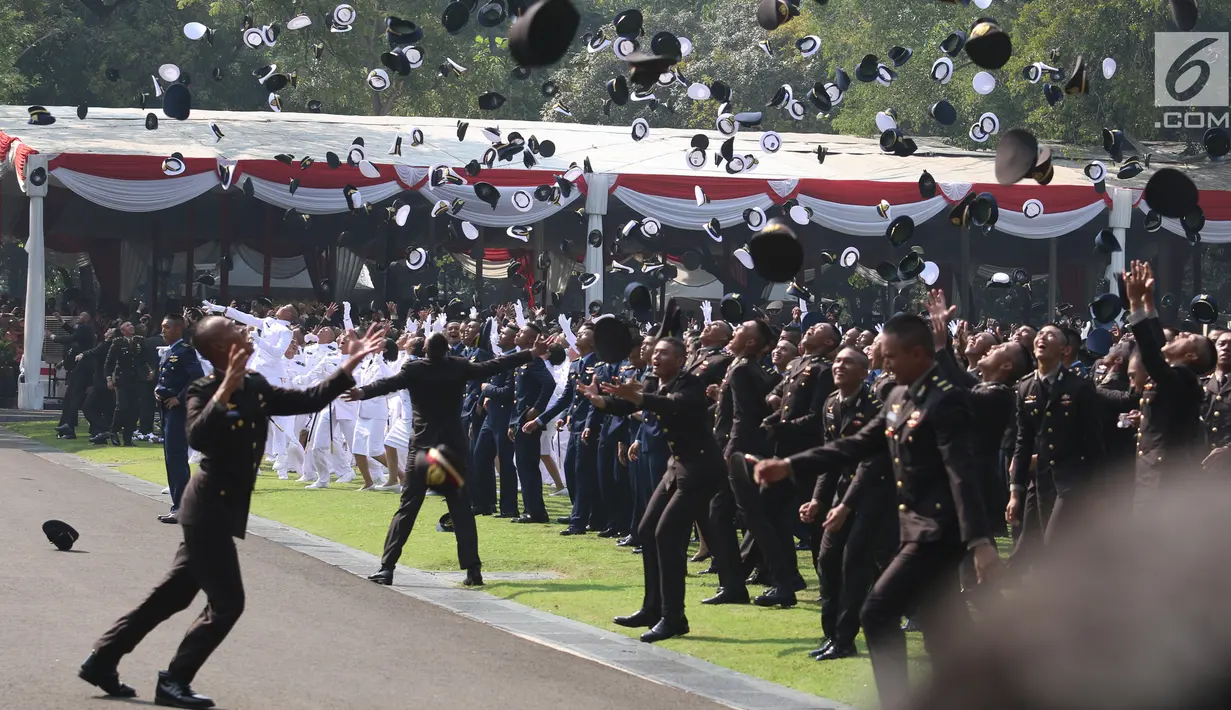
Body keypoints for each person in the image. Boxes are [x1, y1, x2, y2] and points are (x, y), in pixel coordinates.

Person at [79, 317, 386, 708]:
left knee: (171, 597)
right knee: (228, 603)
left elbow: (307, 399)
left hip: (220, 508)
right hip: (207, 508)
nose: (247, 332)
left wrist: (350, 365)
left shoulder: (254, 385)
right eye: (236, 331)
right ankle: (174, 680)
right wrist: (224, 390)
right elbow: (197, 435)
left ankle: (102, 659)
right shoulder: (203, 389)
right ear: (224, 348)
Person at [754, 314, 999, 710]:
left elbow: (962, 474)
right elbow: (857, 445)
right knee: (942, 626)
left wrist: (981, 541)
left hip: (940, 529)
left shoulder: (945, 399)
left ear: (918, 355)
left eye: (889, 356)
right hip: (915, 526)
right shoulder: (897, 397)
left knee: (879, 610)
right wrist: (791, 466)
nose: (883, 365)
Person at [353, 331, 548, 587]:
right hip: (451, 449)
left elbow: (386, 385)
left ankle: (387, 567)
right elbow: (494, 364)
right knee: (460, 509)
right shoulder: (458, 366)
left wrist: (361, 392)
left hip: (424, 447)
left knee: (408, 507)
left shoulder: (414, 369)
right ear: (447, 350)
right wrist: (531, 353)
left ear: (424, 349)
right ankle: (473, 570)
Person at [598, 332, 724, 642]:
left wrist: (638, 397)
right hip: (676, 466)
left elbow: (671, 404)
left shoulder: (690, 384)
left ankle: (674, 617)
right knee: (646, 529)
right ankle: (652, 609)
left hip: (701, 469)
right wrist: (600, 399)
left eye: (665, 353)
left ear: (681, 361)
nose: (656, 357)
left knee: (667, 534)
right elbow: (626, 405)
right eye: (655, 353)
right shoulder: (657, 382)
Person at [806, 346, 896, 662]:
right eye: (837, 361)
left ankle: (845, 639)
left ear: (864, 370)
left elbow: (872, 463)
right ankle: (831, 635)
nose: (840, 366)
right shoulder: (831, 404)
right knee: (827, 560)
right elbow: (832, 457)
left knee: (854, 563)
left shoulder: (876, 406)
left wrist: (845, 505)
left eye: (848, 362)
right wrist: (818, 499)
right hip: (841, 493)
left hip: (874, 494)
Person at [1008, 323, 1105, 547]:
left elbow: (1094, 441)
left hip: (1074, 478)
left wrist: (1100, 490)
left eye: (1050, 336)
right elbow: (1024, 441)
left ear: (1064, 349)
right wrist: (1015, 492)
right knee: (1052, 544)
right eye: (1040, 334)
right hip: (1044, 479)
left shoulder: (1079, 387)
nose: (1042, 338)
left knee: (1053, 542)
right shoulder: (1025, 388)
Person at [1123, 260, 1211, 506]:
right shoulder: (1177, 376)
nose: (1181, 333)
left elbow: (1151, 355)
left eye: (1188, 338)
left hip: (1164, 484)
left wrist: (1135, 304)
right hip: (1151, 477)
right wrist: (1149, 303)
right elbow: (1159, 345)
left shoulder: (1184, 379)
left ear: (1191, 356)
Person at [155, 314, 204, 524]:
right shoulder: (172, 351)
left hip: (179, 411)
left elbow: (198, 377)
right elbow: (168, 377)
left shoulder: (185, 350)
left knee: (176, 457)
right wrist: (158, 390)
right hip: (167, 410)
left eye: (166, 327)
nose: (163, 331)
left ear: (177, 329)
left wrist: (179, 398)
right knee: (171, 457)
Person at [510, 323, 557, 524]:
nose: (517, 335)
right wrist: (512, 423)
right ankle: (530, 509)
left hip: (528, 421)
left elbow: (549, 384)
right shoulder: (523, 361)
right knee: (522, 465)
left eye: (522, 333)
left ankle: (536, 511)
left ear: (531, 340)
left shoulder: (535, 362)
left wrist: (537, 409)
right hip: (520, 419)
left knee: (528, 465)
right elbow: (518, 395)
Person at [106, 322, 153, 447]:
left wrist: (151, 370)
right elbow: (109, 362)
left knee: (134, 408)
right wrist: (109, 378)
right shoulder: (118, 342)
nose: (131, 326)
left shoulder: (139, 341)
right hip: (123, 379)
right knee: (122, 406)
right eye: (127, 325)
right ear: (122, 330)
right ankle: (114, 431)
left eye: (132, 325)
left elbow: (145, 358)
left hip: (136, 378)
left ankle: (128, 437)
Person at [54, 309, 96, 440]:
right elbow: (74, 334)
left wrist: (52, 337)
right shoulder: (84, 330)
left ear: (88, 317)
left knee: (74, 399)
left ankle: (69, 426)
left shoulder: (86, 328)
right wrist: (62, 323)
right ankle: (67, 426)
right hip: (78, 369)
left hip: (82, 370)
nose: (79, 316)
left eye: (83, 315)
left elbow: (72, 337)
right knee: (72, 399)